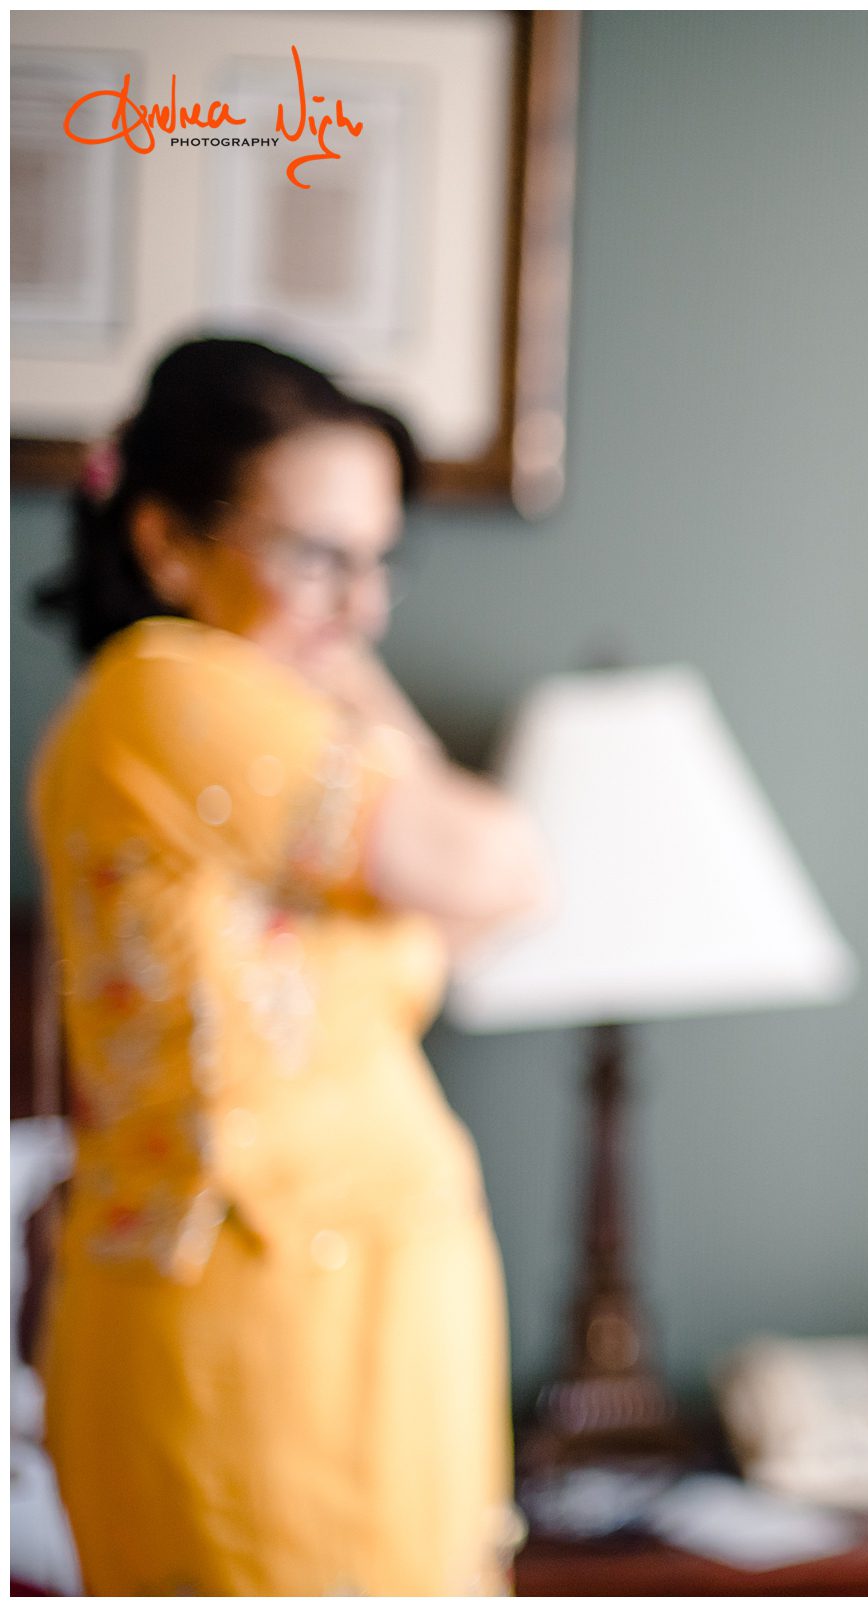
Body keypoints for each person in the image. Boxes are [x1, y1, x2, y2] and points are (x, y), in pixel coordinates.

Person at [28, 337, 548, 1593]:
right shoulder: (172, 690)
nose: (360, 604)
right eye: (318, 554)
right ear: (167, 544)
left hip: (357, 1325)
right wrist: (350, 671)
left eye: (381, 561)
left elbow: (502, 897)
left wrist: (322, 633)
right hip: (255, 1340)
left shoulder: (249, 750)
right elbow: (493, 860)